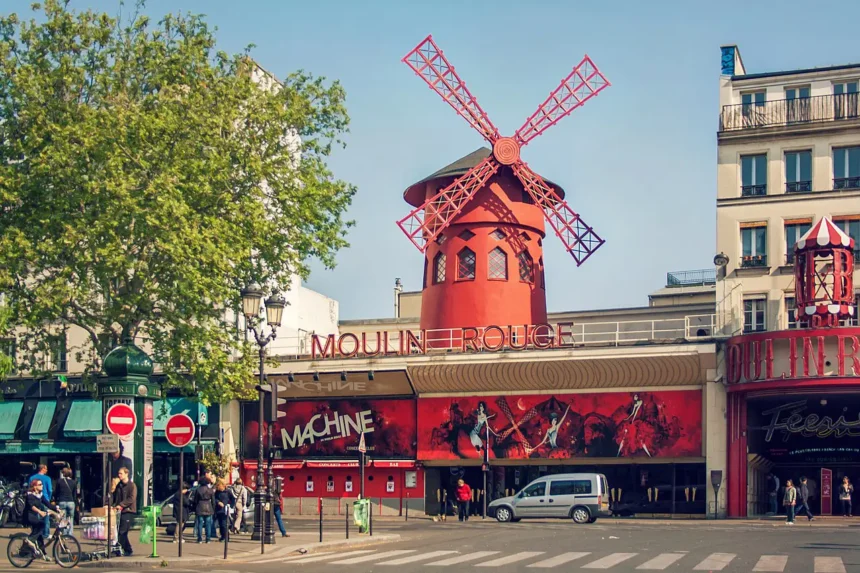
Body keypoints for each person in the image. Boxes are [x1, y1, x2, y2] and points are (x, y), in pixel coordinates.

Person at [24, 478, 59, 562]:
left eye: (42, 484)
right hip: (28, 516)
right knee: (42, 524)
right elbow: (32, 506)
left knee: (39, 536)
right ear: (35, 486)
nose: (42, 486)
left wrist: (57, 508)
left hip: (35, 516)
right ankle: (28, 540)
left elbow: (47, 504)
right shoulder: (30, 495)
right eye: (40, 484)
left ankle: (43, 554)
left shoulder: (40, 495)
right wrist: (40, 512)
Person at [113, 467, 137, 557]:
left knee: (122, 532)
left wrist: (121, 505)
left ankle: (125, 549)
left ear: (126, 474)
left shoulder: (132, 485)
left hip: (128, 511)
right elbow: (115, 497)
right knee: (120, 532)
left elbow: (131, 498)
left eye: (121, 473)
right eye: (118, 473)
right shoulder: (119, 485)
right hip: (120, 511)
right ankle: (122, 549)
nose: (119, 475)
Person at [28, 464, 53, 538]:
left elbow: (29, 488)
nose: (47, 470)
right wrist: (49, 498)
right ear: (42, 469)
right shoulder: (47, 478)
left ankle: (37, 533)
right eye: (46, 469)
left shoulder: (32, 477)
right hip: (45, 499)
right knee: (46, 517)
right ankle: (46, 533)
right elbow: (50, 490)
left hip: (35, 498)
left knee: (36, 517)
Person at [54, 467, 77, 535]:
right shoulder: (74, 482)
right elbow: (74, 494)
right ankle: (70, 533)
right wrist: (75, 502)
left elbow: (56, 492)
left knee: (63, 518)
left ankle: (64, 533)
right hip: (71, 502)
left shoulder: (59, 481)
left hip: (62, 501)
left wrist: (55, 500)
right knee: (71, 518)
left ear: (64, 473)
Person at [193, 474, 215, 543]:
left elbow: (195, 500)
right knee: (208, 524)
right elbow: (213, 501)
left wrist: (195, 507)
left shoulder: (198, 490)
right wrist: (213, 508)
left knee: (200, 524)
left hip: (200, 506)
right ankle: (208, 539)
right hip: (208, 506)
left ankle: (199, 539)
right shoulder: (210, 490)